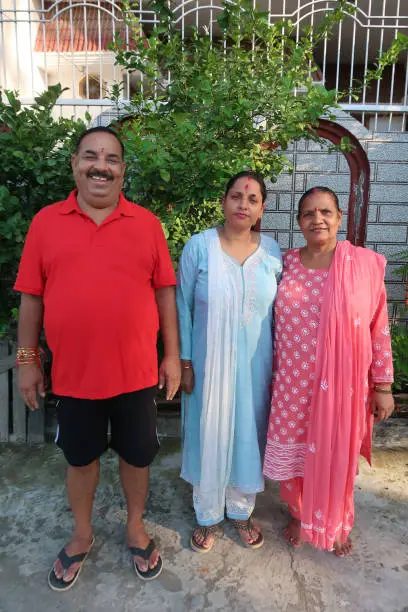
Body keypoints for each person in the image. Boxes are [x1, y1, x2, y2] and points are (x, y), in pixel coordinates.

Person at [14, 126, 181, 589]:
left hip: (137, 375)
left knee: (137, 457)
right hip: (74, 377)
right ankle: (82, 534)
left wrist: (172, 355)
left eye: (111, 159)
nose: (100, 166)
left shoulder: (146, 224)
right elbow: (31, 298)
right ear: (74, 164)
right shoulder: (46, 222)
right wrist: (28, 360)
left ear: (123, 170)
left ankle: (135, 526)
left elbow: (165, 293)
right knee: (80, 459)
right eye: (91, 156)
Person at [263, 186, 394, 556]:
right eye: (308, 214)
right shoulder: (285, 263)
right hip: (291, 383)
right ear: (299, 222)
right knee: (296, 457)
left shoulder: (363, 266)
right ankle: (300, 513)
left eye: (325, 212)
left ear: (338, 218)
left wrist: (382, 384)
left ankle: (335, 521)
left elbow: (378, 326)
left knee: (336, 454)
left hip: (342, 387)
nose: (317, 219)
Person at [177, 171, 282, 552]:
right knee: (208, 432)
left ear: (261, 209)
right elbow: (181, 307)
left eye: (252, 199)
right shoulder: (199, 248)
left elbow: (281, 312)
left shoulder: (271, 252)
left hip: (256, 366)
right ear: (223, 201)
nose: (243, 204)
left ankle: (240, 510)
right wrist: (184, 362)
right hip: (207, 367)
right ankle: (207, 514)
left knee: (246, 435)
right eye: (236, 196)